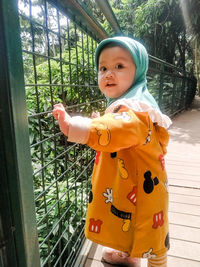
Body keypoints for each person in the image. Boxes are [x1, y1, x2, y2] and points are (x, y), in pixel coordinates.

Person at [53, 36, 172, 267]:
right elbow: (117, 127)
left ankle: (155, 261)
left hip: (143, 190)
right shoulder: (136, 104)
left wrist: (73, 126)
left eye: (119, 66)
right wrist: (104, 120)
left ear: (138, 71)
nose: (109, 73)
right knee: (139, 222)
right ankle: (128, 253)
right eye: (103, 67)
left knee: (150, 232)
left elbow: (115, 129)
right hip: (143, 184)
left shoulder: (134, 112)